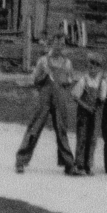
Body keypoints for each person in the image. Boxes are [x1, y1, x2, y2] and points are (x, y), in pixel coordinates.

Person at [16, 32, 82, 176]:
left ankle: (68, 164)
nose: (59, 46)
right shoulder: (43, 61)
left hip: (60, 99)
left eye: (62, 43)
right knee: (34, 128)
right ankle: (21, 160)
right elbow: (35, 81)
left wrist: (65, 82)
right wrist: (44, 75)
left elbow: (70, 81)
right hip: (44, 98)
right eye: (57, 42)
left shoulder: (67, 63)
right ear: (51, 43)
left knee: (62, 130)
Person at [70, 52, 107, 175]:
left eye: (96, 67)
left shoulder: (102, 82)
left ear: (100, 68)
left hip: (95, 114)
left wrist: (100, 100)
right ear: (87, 67)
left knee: (92, 139)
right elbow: (75, 96)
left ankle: (88, 164)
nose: (93, 69)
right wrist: (85, 106)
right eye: (91, 67)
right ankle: (79, 164)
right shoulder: (83, 80)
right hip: (84, 113)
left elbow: (103, 98)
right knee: (82, 137)